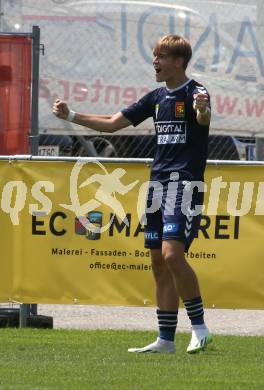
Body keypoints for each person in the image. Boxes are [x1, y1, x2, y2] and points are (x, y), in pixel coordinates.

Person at [53, 34, 212, 354]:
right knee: (157, 261)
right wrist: (72, 116)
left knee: (172, 255)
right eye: (154, 56)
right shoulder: (155, 97)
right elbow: (113, 124)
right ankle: (166, 340)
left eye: (162, 56)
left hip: (184, 185)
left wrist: (202, 109)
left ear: (178, 62)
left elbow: (203, 117)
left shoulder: (197, 92)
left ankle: (200, 328)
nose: (155, 61)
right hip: (156, 185)